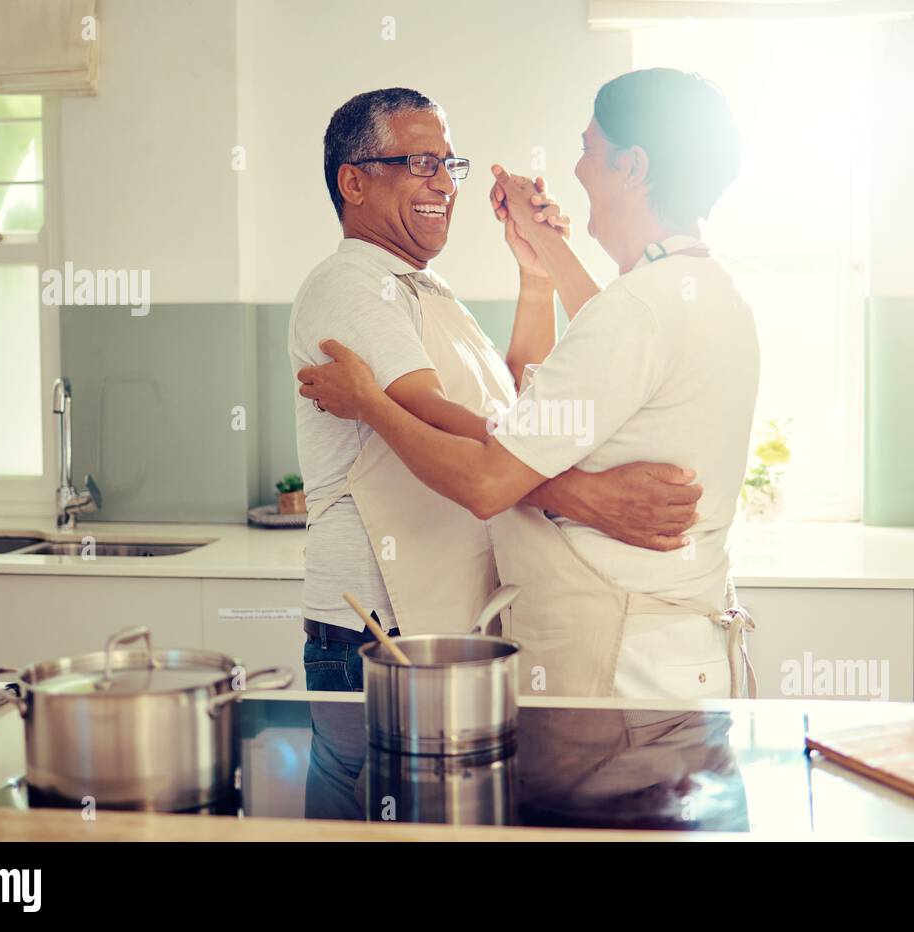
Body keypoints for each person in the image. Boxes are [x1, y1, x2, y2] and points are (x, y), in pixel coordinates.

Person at [298, 69, 761, 700]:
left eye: (589, 151)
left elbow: (499, 459)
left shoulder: (638, 307)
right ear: (354, 180)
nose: (575, 170)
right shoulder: (356, 283)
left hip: (614, 649)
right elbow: (510, 420)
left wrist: (372, 404)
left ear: (632, 166)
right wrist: (585, 495)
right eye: (421, 162)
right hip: (384, 626)